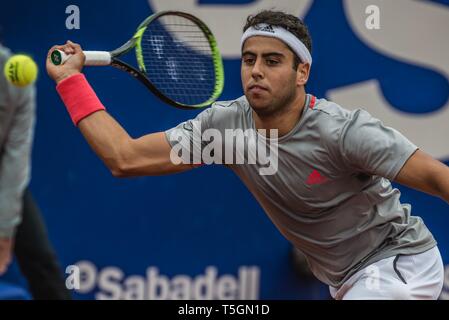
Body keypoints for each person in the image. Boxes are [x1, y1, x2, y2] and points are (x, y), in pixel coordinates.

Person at [46, 10, 448, 300]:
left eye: (273, 61)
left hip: (398, 263)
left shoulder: (343, 132)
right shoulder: (226, 129)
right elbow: (125, 158)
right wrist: (70, 81)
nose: (256, 71)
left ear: (301, 72)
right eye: (250, 59)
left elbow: (436, 178)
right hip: (345, 280)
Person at [0, 44, 71, 299]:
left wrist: (4, 231)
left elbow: (15, 157)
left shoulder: (15, 74)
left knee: (41, 262)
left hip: (3, 173)